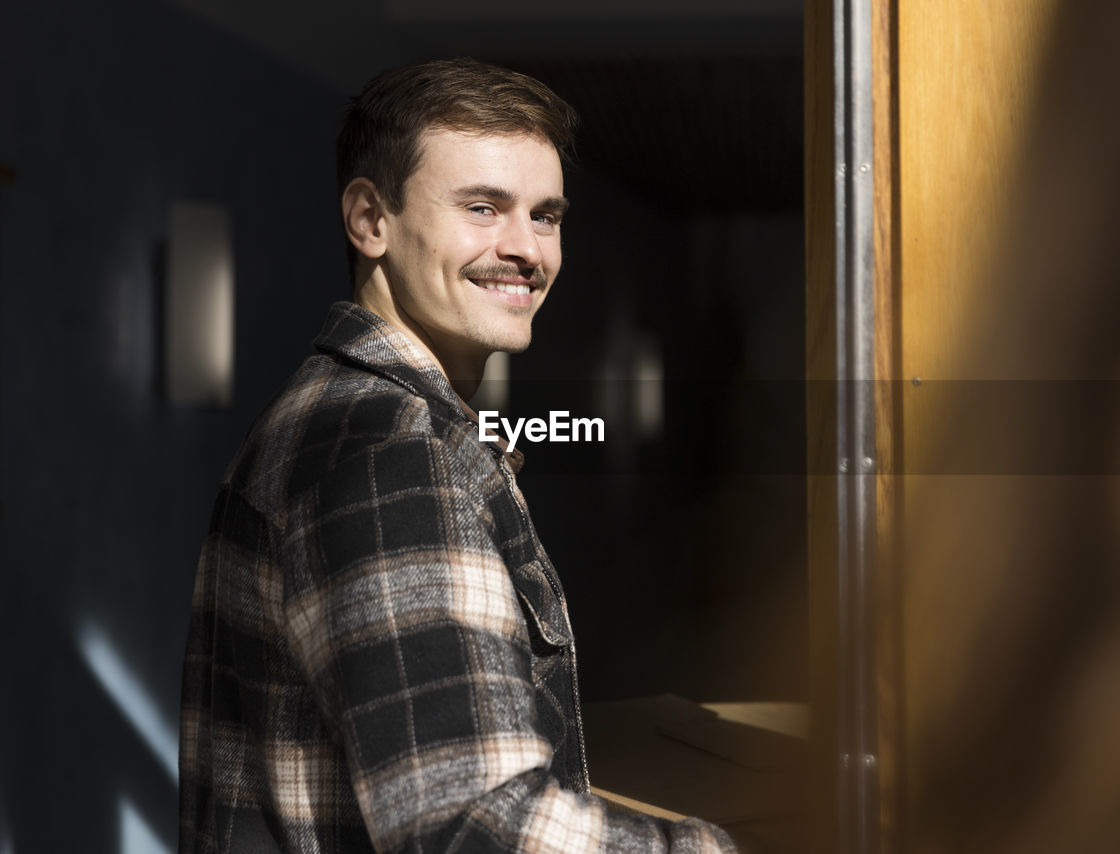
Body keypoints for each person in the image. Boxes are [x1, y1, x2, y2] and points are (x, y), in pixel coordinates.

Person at [179, 58, 736, 853]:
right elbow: (473, 826)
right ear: (370, 219)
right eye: (483, 207)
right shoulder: (389, 452)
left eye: (545, 216)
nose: (526, 250)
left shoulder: (342, 415)